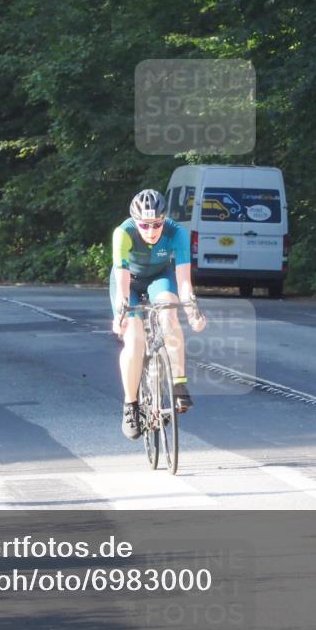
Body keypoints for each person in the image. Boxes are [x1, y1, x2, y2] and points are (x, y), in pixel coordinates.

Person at [111, 189, 206, 441]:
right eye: (144, 224)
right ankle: (131, 406)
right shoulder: (123, 233)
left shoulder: (177, 233)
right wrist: (120, 314)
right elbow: (121, 285)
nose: (151, 231)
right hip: (128, 282)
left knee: (169, 314)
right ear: (135, 221)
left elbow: (184, 281)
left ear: (164, 220)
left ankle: (178, 383)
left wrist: (192, 310)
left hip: (159, 278)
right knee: (135, 340)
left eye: (157, 225)